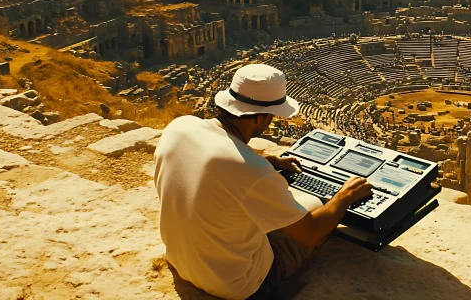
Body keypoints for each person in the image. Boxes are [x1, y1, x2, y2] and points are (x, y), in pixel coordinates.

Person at [154, 64, 373, 299]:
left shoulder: (180, 126)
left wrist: (265, 160)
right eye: (271, 115)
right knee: (312, 204)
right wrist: (344, 196)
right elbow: (311, 233)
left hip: (181, 261)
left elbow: (213, 160)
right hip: (236, 284)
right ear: (259, 117)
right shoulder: (251, 170)